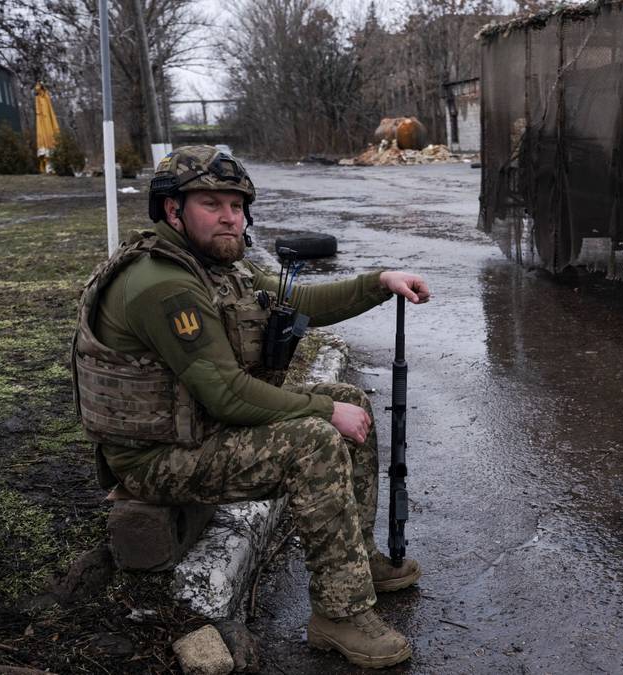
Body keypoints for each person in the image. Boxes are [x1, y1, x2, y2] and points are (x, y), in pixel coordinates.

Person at [71, 145, 430, 668]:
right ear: (173, 210)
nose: (229, 218)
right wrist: (321, 412)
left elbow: (299, 302)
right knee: (314, 441)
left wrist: (378, 283)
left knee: (350, 399)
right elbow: (227, 393)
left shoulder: (214, 266)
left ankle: (356, 563)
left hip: (195, 429)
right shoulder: (165, 284)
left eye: (236, 206)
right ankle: (340, 613)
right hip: (155, 458)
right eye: (211, 204)